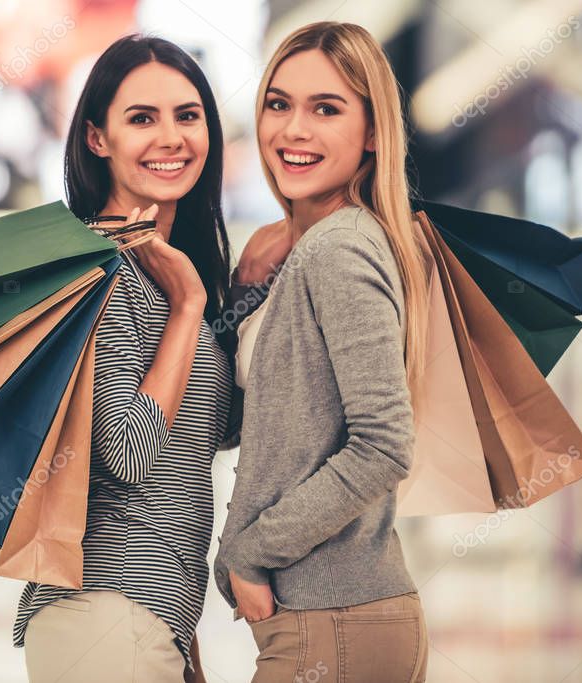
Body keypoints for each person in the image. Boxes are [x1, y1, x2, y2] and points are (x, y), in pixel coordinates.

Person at [12, 35, 236, 682]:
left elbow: (208, 433)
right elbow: (131, 449)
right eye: (142, 118)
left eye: (187, 115)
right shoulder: (103, 273)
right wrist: (191, 304)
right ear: (96, 139)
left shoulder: (165, 272)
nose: (170, 137)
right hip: (104, 615)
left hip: (144, 613)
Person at [215, 22, 431, 682]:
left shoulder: (337, 249)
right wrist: (246, 296)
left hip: (334, 619)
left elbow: (383, 443)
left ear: (371, 132)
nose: (292, 129)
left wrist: (249, 554)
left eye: (325, 108)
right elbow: (233, 428)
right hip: (329, 617)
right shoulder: (307, 250)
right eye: (278, 104)